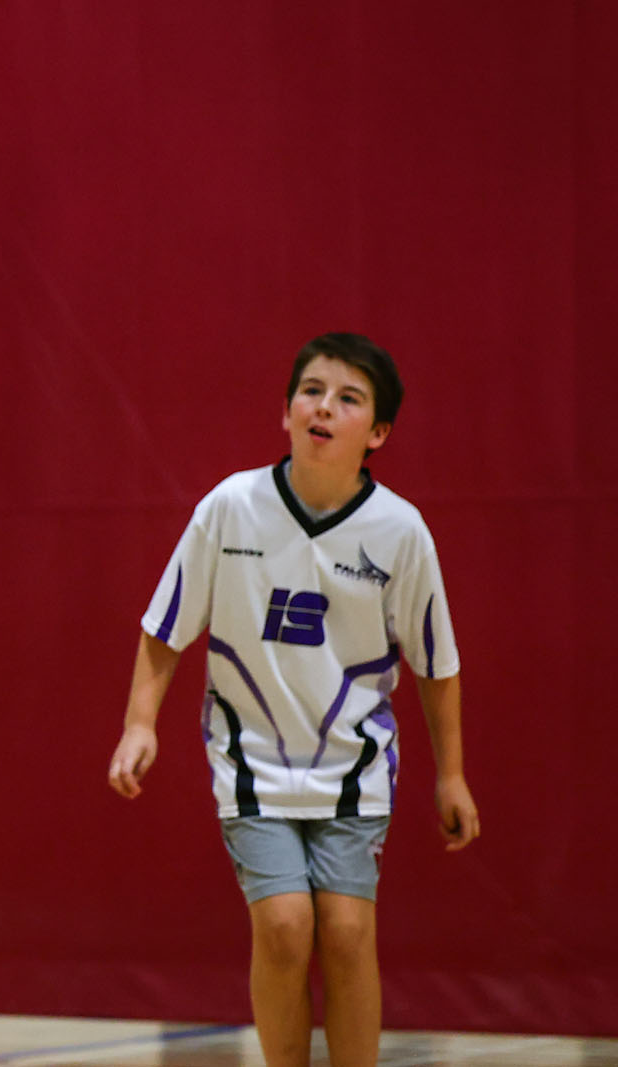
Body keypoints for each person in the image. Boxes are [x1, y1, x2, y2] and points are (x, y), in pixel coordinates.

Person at [106, 333, 480, 1067]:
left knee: (344, 931)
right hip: (252, 760)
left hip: (353, 765)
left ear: (376, 434)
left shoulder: (399, 531)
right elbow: (166, 628)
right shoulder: (230, 507)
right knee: (283, 926)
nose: (324, 407)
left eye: (348, 398)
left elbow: (436, 663)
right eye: (311, 390)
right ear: (285, 411)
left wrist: (451, 773)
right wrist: (138, 723)